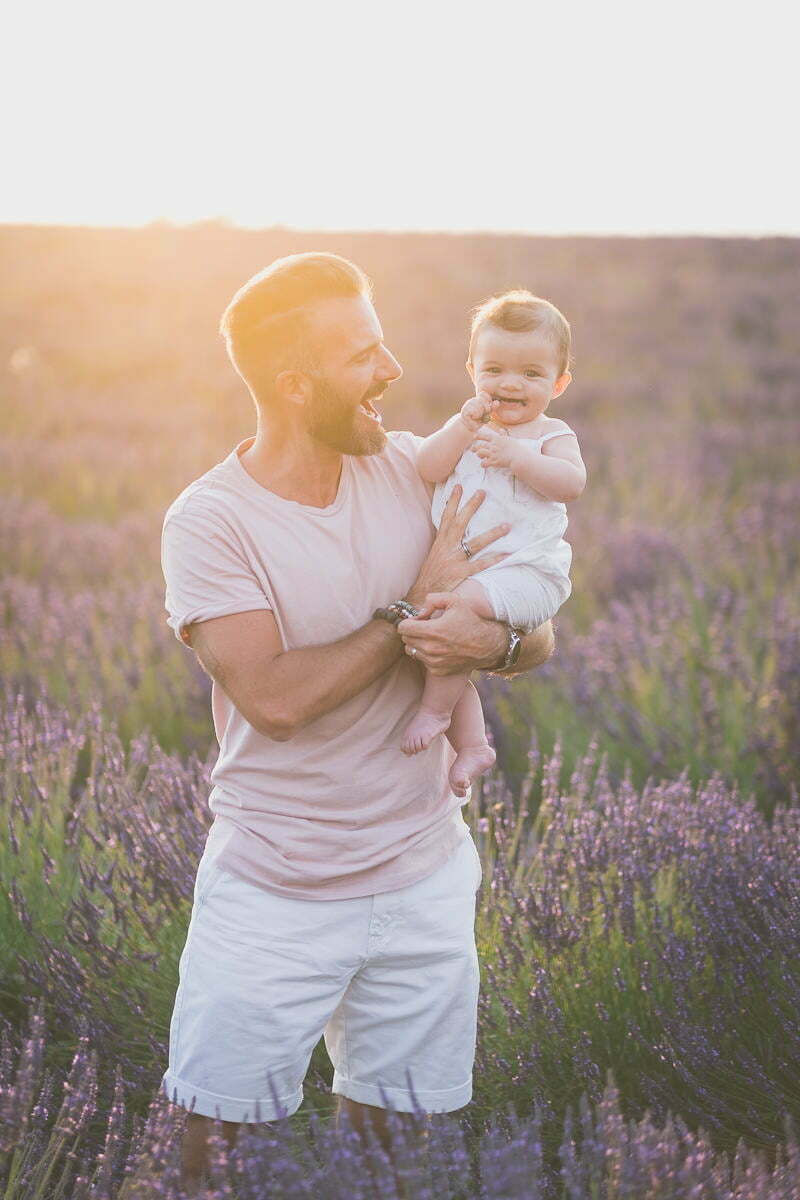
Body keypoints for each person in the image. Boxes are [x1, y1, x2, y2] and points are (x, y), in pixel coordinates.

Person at [158, 252, 555, 1195]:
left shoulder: (412, 470)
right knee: (217, 1150)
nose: (392, 371)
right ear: (295, 385)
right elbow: (277, 699)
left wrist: (488, 644)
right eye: (364, 355)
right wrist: (412, 615)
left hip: (423, 876)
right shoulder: (210, 522)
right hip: (275, 890)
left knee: (391, 1152)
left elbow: (534, 632)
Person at [400, 290, 586, 776]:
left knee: (451, 614)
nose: (509, 384)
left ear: (559, 383)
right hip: (476, 576)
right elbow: (428, 465)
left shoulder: (551, 435)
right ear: (472, 372)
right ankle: (472, 745)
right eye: (494, 370)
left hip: (528, 574)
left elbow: (572, 483)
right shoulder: (466, 425)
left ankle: (437, 712)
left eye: (531, 374)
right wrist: (461, 429)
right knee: (444, 629)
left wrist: (518, 458)